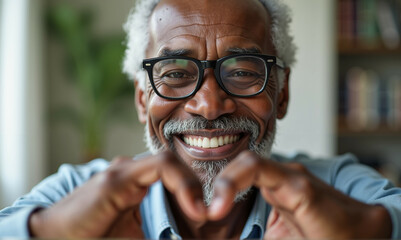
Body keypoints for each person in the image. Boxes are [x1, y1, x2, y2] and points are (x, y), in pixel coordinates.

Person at [1, 0, 401, 238]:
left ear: (282, 93)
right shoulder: (81, 193)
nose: (209, 106)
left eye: (243, 71)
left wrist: (366, 233)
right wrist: (48, 232)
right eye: (175, 74)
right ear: (143, 99)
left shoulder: (331, 189)